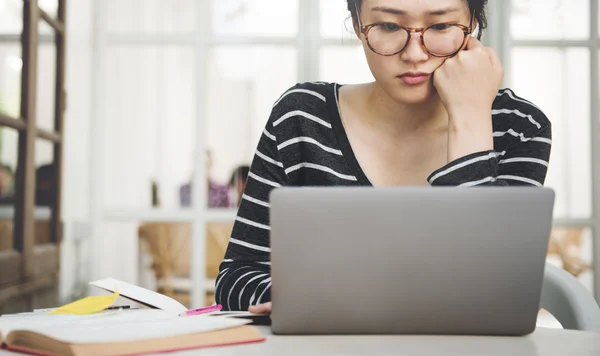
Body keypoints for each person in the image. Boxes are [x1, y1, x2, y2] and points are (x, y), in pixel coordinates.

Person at [215, 0, 552, 314]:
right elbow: (237, 277)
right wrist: (308, 303)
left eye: (441, 27)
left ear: (473, 27)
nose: (415, 54)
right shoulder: (302, 117)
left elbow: (492, 291)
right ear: (359, 24)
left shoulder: (518, 127)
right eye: (390, 27)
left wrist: (469, 117)